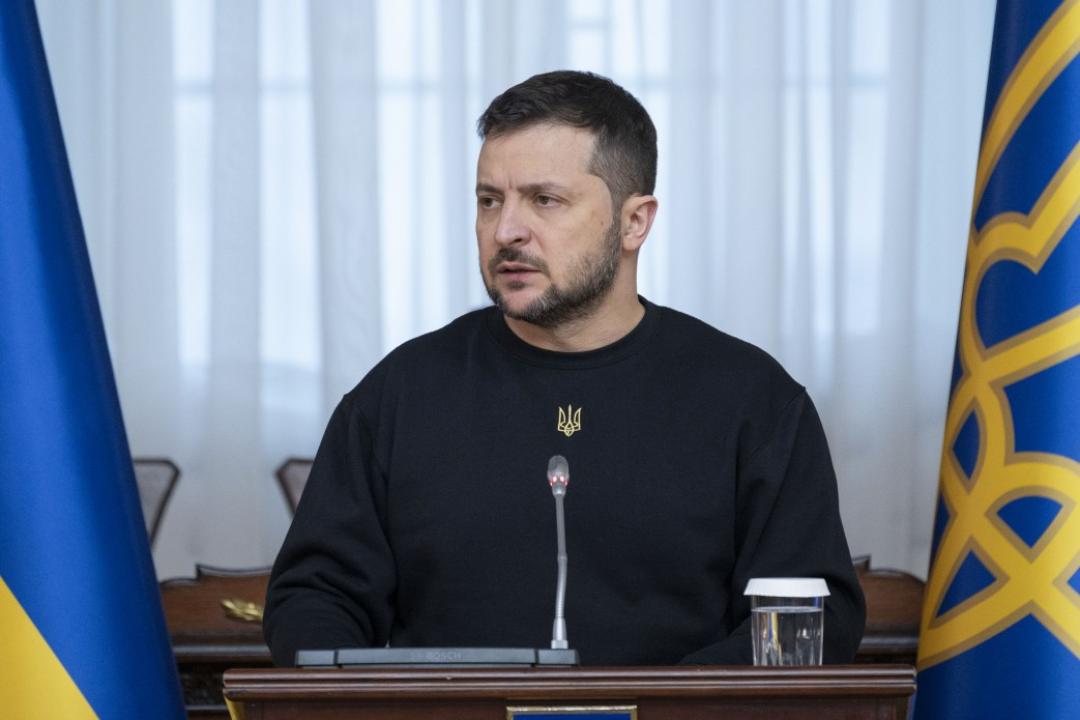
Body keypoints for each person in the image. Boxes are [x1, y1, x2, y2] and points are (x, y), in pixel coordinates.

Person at [263, 70, 866, 667]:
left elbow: (810, 616)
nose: (506, 231)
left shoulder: (751, 400)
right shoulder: (400, 394)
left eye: (544, 200)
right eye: (489, 200)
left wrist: (657, 707)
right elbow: (315, 597)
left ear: (635, 221)